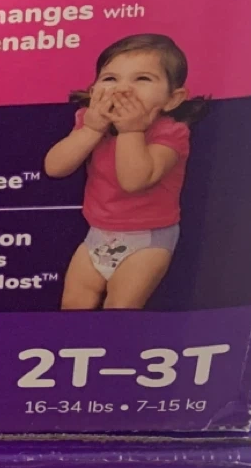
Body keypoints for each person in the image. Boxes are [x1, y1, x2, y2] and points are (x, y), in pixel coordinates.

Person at [44, 33, 207, 309]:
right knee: (73, 304)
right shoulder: (90, 123)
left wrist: (132, 130)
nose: (123, 89)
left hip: (148, 240)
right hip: (97, 234)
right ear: (93, 91)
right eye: (110, 79)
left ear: (172, 98)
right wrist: (90, 130)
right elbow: (54, 168)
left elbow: (135, 180)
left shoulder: (171, 133)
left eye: (142, 79)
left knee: (120, 308)